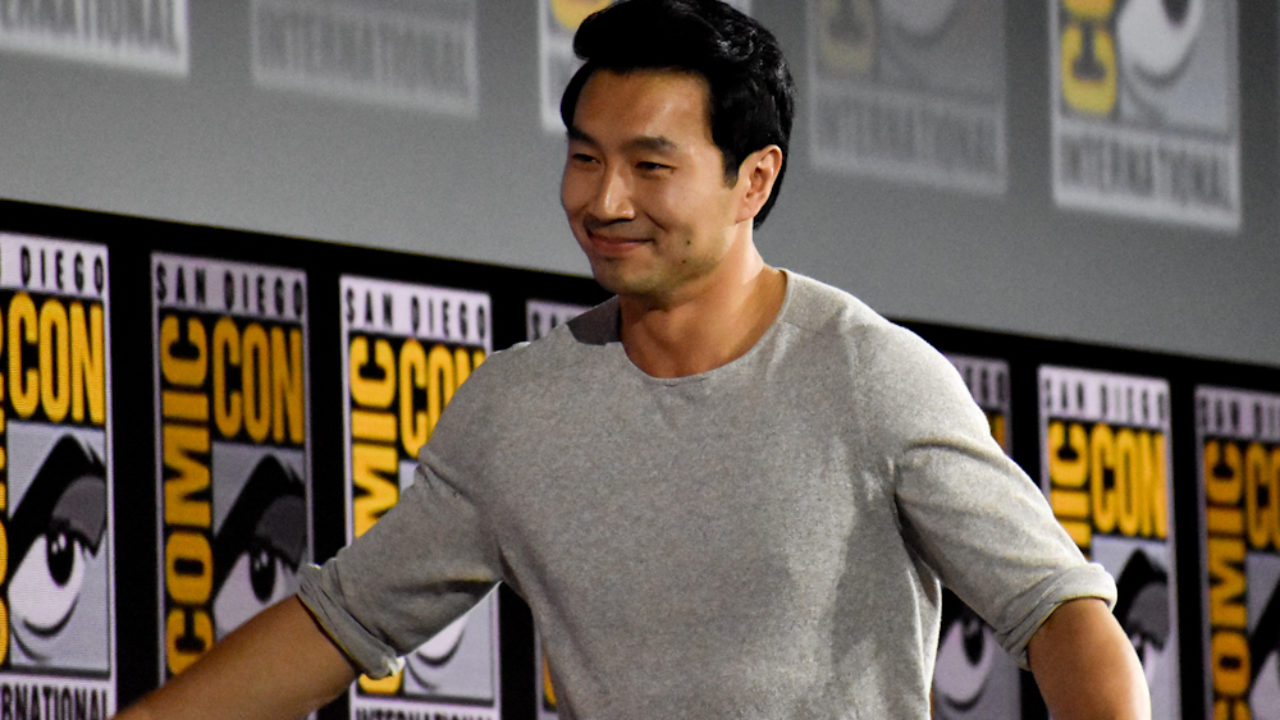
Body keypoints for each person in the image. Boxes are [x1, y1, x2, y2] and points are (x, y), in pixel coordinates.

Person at [116, 1, 1150, 718]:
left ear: (754, 181)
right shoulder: (517, 412)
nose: (604, 200)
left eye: (650, 166)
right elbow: (340, 623)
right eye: (583, 158)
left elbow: (1058, 612)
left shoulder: (868, 376)